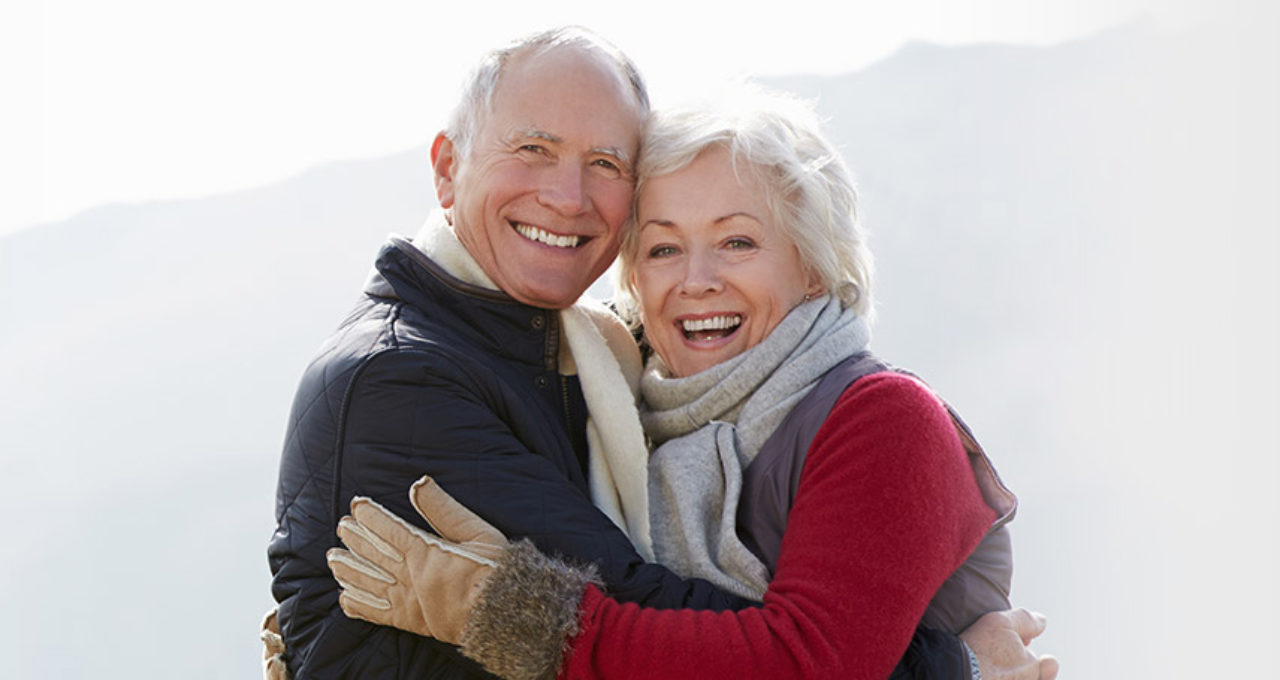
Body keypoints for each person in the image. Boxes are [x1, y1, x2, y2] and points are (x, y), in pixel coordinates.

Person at [268, 25, 1053, 680]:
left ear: (814, 263)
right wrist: (956, 668)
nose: (697, 281)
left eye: (738, 242)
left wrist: (507, 613)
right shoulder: (434, 380)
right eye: (666, 248)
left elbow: (804, 660)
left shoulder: (878, 417)